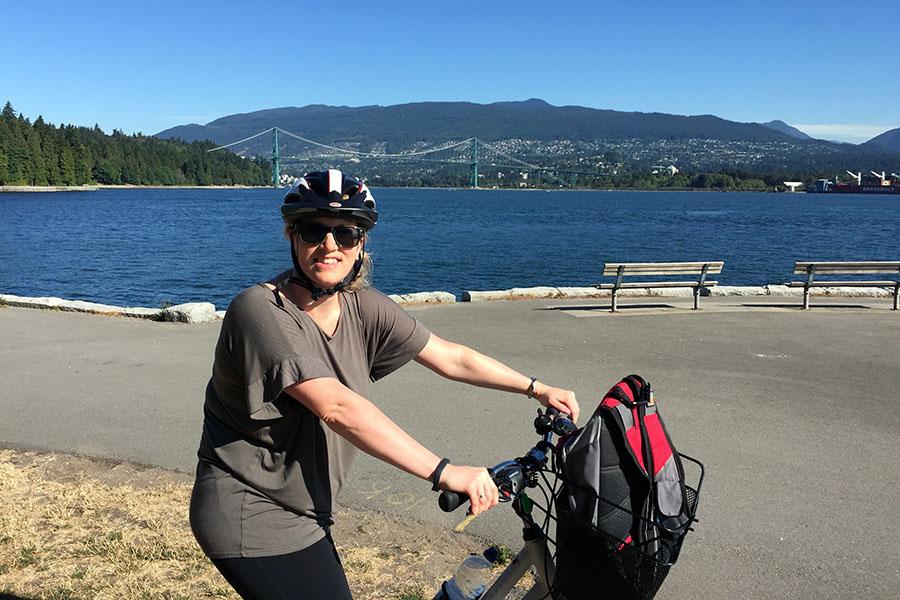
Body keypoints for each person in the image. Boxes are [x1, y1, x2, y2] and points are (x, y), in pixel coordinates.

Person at [189, 169, 579, 599]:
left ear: (361, 243)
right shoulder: (261, 311)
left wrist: (536, 387)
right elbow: (337, 407)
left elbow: (450, 357)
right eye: (312, 230)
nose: (330, 245)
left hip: (305, 508)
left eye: (346, 233)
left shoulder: (361, 307)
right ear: (290, 235)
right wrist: (446, 472)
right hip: (251, 510)